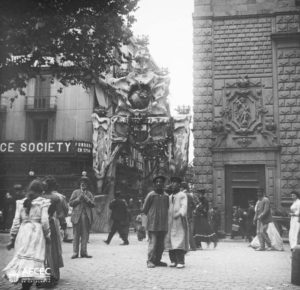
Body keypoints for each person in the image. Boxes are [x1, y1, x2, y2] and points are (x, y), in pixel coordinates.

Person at [3, 179, 51, 290]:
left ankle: (25, 285)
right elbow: (44, 221)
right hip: (36, 232)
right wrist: (47, 235)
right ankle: (27, 285)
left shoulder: (21, 202)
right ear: (41, 191)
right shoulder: (42, 202)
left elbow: (16, 221)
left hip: (23, 232)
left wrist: (12, 237)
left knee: (24, 258)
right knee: (34, 258)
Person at [40, 176, 67, 287]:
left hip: (39, 226)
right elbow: (61, 214)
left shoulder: (39, 197)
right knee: (53, 250)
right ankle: (54, 275)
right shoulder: (56, 198)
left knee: (42, 250)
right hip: (51, 223)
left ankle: (44, 275)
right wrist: (63, 225)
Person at [142, 175, 169, 268]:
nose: (159, 183)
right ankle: (150, 260)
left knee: (161, 245)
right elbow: (144, 209)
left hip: (163, 224)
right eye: (157, 182)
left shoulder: (166, 196)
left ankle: (158, 260)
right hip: (153, 224)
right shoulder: (151, 195)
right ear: (154, 184)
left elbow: (168, 208)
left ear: (163, 184)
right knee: (152, 243)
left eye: (160, 182)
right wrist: (144, 223)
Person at [165, 176, 189, 268]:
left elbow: (184, 206)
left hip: (179, 219)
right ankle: (173, 260)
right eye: (172, 182)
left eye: (176, 183)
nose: (173, 184)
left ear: (179, 185)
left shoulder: (182, 195)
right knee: (170, 239)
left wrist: (179, 213)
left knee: (179, 238)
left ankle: (180, 261)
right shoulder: (170, 196)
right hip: (170, 221)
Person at [69, 175, 95, 258]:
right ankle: (75, 253)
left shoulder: (89, 194)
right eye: (82, 182)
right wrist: (78, 199)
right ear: (80, 183)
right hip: (76, 216)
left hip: (86, 217)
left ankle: (84, 252)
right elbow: (70, 203)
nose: (83, 184)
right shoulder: (75, 192)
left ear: (87, 184)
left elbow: (93, 204)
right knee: (76, 235)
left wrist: (86, 198)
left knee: (85, 235)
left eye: (85, 183)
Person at [181, 181, 196, 251]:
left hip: (183, 214)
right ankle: (192, 246)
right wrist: (190, 211)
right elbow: (194, 206)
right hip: (189, 214)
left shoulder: (181, 194)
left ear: (182, 187)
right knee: (189, 231)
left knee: (185, 231)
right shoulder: (190, 195)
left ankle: (187, 247)